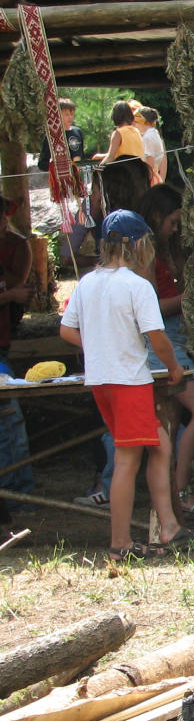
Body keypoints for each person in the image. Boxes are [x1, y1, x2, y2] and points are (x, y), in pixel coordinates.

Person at [59, 210, 192, 561]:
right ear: (139, 245)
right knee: (127, 460)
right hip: (129, 381)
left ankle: (168, 525)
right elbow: (157, 336)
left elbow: (66, 330)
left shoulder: (87, 283)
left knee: (160, 445)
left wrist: (97, 346)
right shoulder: (137, 286)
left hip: (102, 381)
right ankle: (120, 543)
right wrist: (174, 367)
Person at [135, 185, 194, 513]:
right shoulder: (145, 253)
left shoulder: (165, 249)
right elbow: (149, 308)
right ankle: (182, 490)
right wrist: (190, 298)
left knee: (170, 422)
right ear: (156, 216)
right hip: (161, 342)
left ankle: (170, 497)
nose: (175, 228)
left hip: (175, 338)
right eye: (172, 221)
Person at [0, 197, 35, 506]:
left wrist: (10, 292)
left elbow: (20, 284)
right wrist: (8, 294)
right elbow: (15, 289)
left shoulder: (17, 244)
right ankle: (14, 492)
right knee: (9, 418)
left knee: (9, 416)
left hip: (3, 340)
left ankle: (16, 490)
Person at [37, 97, 85, 172]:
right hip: (60, 176)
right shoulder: (51, 136)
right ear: (57, 115)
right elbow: (42, 164)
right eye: (66, 114)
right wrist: (58, 165)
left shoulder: (77, 132)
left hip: (79, 176)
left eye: (72, 114)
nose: (70, 117)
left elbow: (82, 156)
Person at [99, 101, 144, 166]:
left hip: (124, 170)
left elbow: (110, 157)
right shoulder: (136, 131)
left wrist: (98, 168)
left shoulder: (118, 133)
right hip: (138, 169)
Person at [134, 107, 167, 184]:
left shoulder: (148, 138)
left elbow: (149, 165)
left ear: (143, 122)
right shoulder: (154, 133)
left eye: (136, 121)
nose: (134, 124)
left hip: (149, 180)